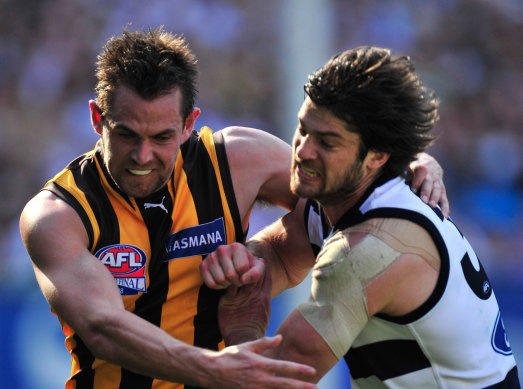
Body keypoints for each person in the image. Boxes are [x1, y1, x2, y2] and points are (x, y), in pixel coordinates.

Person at [19, 26, 447, 389]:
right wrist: (213, 369)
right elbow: (102, 329)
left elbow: (348, 185)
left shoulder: (239, 160)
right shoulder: (57, 215)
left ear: (190, 123)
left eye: (163, 137)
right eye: (127, 134)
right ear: (97, 119)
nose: (143, 155)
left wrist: (403, 163)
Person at [202, 47, 520, 388]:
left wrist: (241, 325)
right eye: (303, 129)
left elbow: (269, 379)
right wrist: (249, 263)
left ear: (377, 156)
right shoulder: (349, 198)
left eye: (327, 142)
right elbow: (281, 254)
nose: (303, 150)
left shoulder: (369, 249)